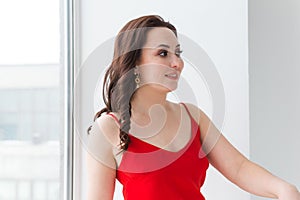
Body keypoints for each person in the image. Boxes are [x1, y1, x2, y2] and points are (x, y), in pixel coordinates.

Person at [85, 15, 300, 200]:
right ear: (135, 63)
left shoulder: (193, 116)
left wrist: (285, 190)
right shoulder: (107, 129)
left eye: (178, 53)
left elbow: (239, 168)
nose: (177, 63)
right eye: (163, 53)